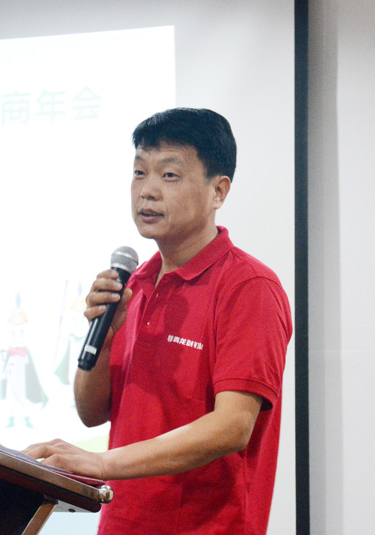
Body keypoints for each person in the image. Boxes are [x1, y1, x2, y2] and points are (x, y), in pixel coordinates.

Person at [24, 108, 292, 534]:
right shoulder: (134, 282)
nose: (147, 191)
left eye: (169, 175)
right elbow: (92, 412)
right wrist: (104, 339)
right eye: (139, 172)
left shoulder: (249, 286)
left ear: (218, 191)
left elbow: (231, 427)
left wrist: (102, 463)